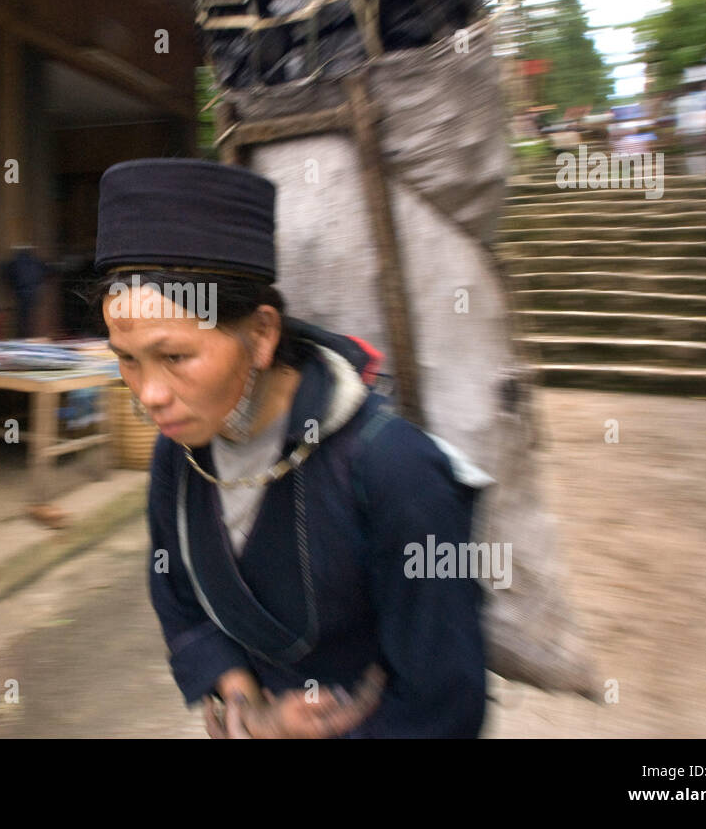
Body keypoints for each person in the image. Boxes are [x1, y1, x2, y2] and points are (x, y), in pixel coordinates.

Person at [90, 157, 487, 738]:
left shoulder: (394, 468)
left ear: (261, 334)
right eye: (127, 359)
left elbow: (444, 705)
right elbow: (174, 585)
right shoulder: (180, 452)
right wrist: (240, 697)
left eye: (175, 356)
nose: (149, 395)